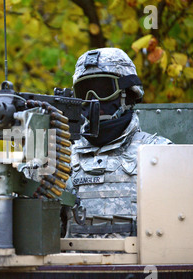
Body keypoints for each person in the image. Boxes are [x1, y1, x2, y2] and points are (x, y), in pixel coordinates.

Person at [64, 47, 172, 238]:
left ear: (127, 93)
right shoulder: (62, 155)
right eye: (84, 92)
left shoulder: (159, 154)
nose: (93, 100)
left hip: (135, 267)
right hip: (75, 267)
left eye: (102, 89)